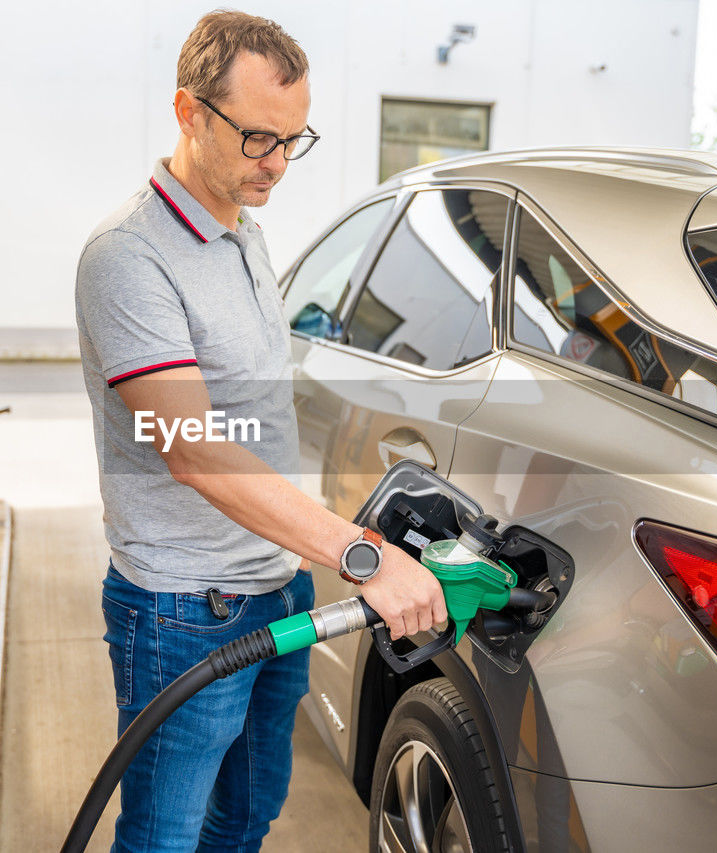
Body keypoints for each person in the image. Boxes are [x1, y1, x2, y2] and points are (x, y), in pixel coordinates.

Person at [74, 11, 447, 851]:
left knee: (247, 814)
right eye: (255, 138)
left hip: (275, 586)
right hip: (182, 609)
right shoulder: (129, 256)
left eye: (292, 139)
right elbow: (196, 449)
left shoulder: (246, 232)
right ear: (189, 112)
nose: (276, 164)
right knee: (164, 836)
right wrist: (362, 553)